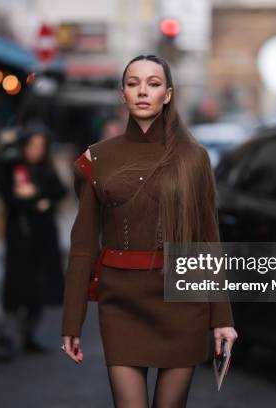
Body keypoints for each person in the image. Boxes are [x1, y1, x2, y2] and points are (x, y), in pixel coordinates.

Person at [61, 55, 238, 407]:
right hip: (121, 304)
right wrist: (72, 320)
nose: (143, 91)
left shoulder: (194, 158)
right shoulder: (96, 158)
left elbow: (207, 242)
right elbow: (82, 247)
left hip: (181, 303)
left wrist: (222, 319)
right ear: (122, 93)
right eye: (133, 83)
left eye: (153, 84)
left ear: (168, 94)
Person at [0, 126, 66, 353]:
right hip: (21, 236)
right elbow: (9, 195)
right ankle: (10, 336)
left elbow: (59, 191)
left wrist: (37, 196)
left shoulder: (46, 168)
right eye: (33, 146)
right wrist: (36, 201)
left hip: (44, 237)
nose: (37, 150)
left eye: (40, 147)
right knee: (17, 289)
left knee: (40, 288)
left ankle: (28, 335)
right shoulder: (13, 168)